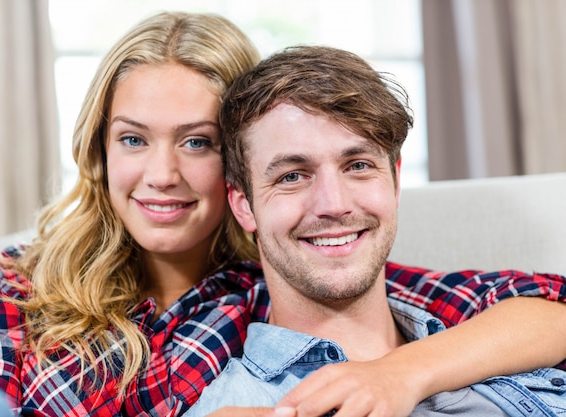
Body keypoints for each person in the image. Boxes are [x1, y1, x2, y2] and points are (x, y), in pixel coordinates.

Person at [0, 10, 564, 417]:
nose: (162, 174)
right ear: (99, 148)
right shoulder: (12, 283)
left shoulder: (286, 269)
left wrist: (403, 371)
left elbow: (539, 306)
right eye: (133, 139)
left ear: (241, 177)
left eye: (197, 142)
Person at [184, 45, 566, 417]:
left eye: (358, 166)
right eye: (292, 176)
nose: (333, 204)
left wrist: (403, 372)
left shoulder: (495, 340)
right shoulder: (233, 404)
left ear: (395, 180)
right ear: (243, 206)